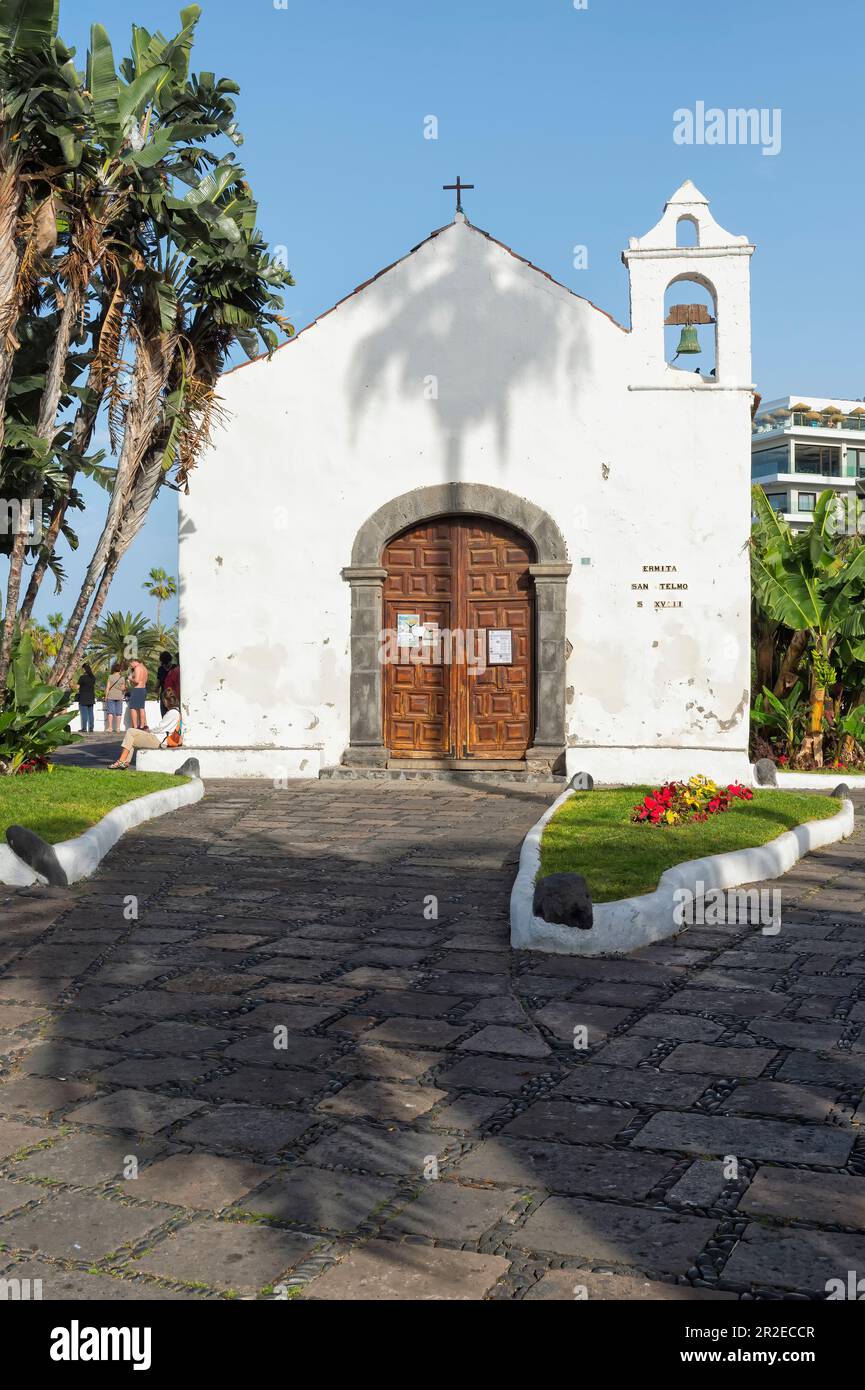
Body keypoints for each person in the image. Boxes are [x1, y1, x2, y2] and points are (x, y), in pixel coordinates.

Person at [108, 705, 180, 769]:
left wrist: (150, 731)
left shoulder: (172, 712)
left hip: (159, 740)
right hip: (161, 739)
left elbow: (161, 727)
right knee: (131, 738)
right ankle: (124, 762)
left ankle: (121, 760)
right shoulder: (177, 712)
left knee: (130, 732)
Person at [127, 655, 149, 730]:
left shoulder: (137, 668)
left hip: (137, 689)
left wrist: (130, 678)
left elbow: (137, 681)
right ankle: (142, 726)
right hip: (143, 689)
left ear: (134, 662)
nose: (131, 666)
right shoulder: (145, 668)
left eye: (131, 664)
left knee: (132, 707)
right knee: (141, 708)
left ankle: (135, 726)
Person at [104, 661, 127, 734]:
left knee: (110, 712)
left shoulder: (110, 677)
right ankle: (118, 728)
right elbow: (123, 688)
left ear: (113, 669)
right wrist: (121, 688)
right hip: (119, 696)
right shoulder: (122, 678)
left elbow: (107, 687)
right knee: (118, 713)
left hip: (111, 696)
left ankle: (110, 728)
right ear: (120, 670)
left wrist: (106, 696)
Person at [76, 663, 96, 734]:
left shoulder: (82, 677)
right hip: (91, 697)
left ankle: (84, 728)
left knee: (84, 714)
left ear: (84, 669)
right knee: (91, 713)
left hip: (83, 697)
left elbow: (77, 687)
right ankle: (91, 728)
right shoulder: (93, 677)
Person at [156, 651, 173, 715]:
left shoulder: (160, 669)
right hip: (173, 694)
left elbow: (158, 683)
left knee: (164, 713)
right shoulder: (175, 667)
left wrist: (156, 692)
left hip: (164, 693)